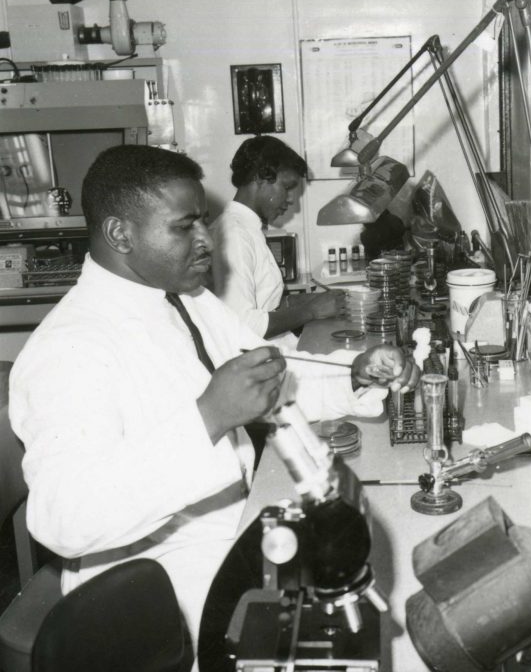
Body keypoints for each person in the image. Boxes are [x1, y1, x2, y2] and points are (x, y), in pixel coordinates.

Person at [9, 144, 418, 662]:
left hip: (235, 528)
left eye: (204, 221)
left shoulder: (187, 300)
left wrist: (354, 375)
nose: (208, 241)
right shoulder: (68, 349)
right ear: (121, 234)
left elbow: (265, 378)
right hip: (157, 579)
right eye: (185, 227)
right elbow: (61, 519)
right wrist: (209, 416)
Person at [210, 136, 344, 339]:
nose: (291, 200)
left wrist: (318, 300)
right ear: (260, 178)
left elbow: (267, 303)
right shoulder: (234, 234)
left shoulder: (245, 227)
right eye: (287, 188)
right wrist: (312, 310)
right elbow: (241, 324)